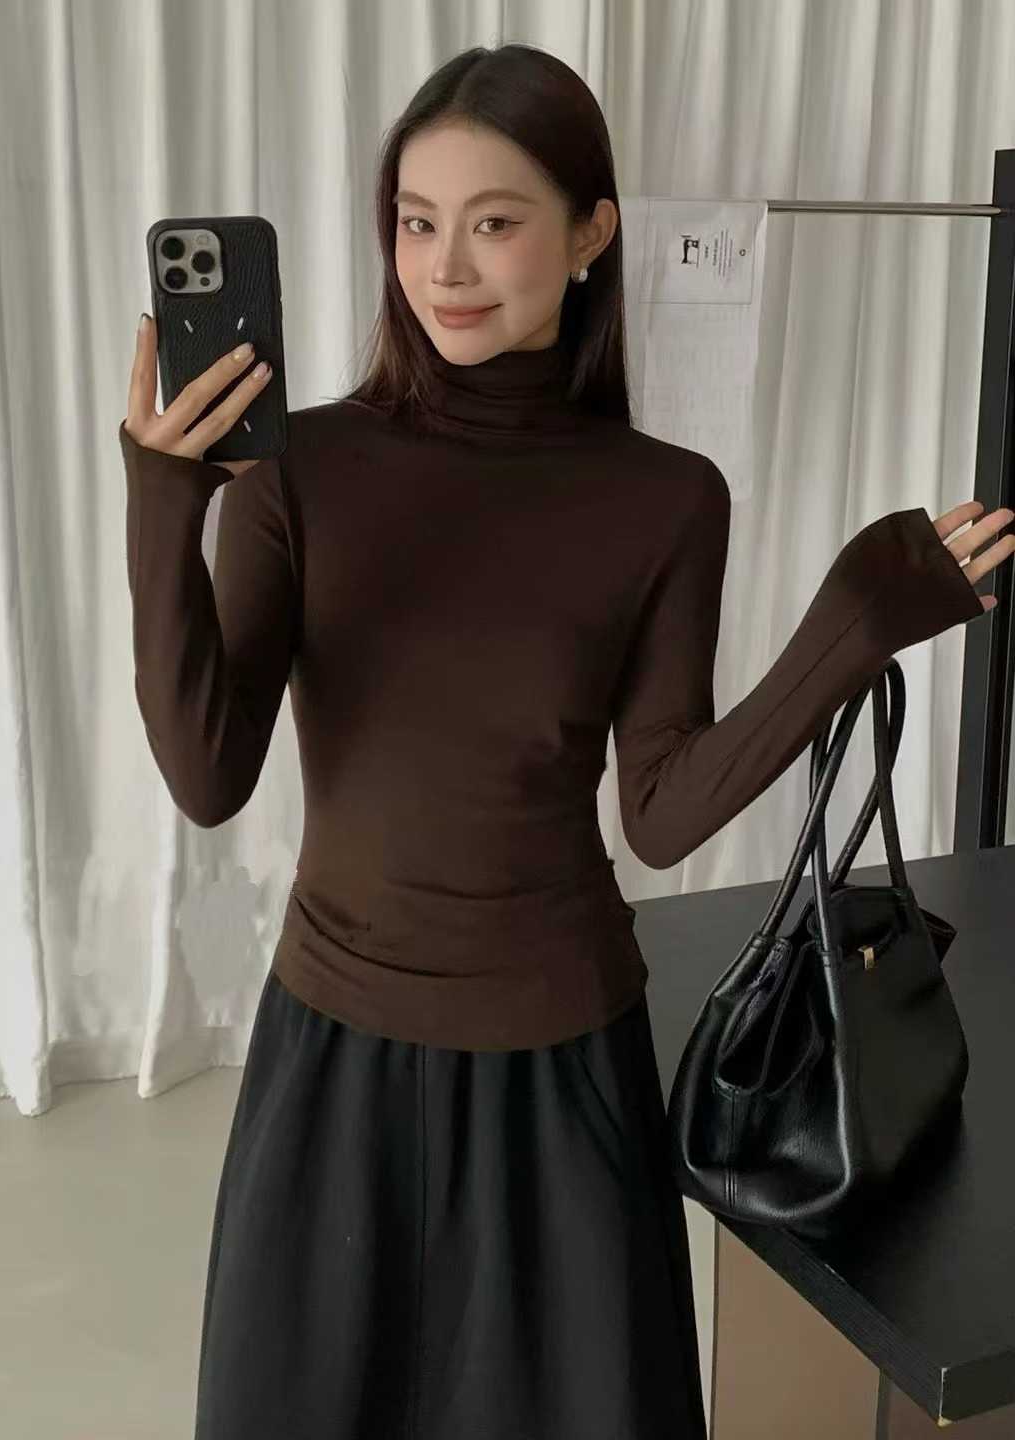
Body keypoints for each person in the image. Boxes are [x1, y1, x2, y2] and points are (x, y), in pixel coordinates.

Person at [119, 42, 1011, 1440]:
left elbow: (660, 810)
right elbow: (206, 773)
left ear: (592, 232)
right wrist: (166, 501)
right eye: (418, 222)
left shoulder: (666, 499)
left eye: (495, 220)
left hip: (559, 1068)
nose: (447, 267)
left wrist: (852, 625)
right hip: (332, 1064)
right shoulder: (302, 467)